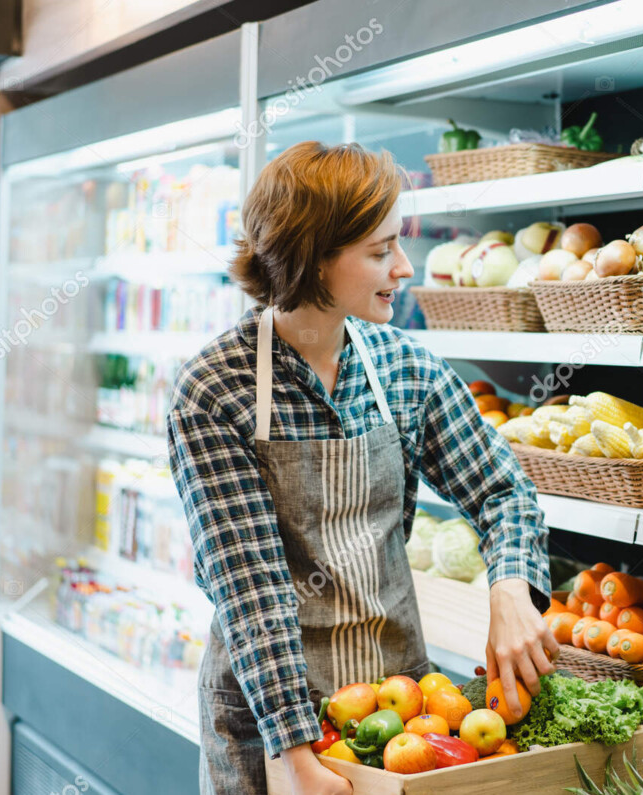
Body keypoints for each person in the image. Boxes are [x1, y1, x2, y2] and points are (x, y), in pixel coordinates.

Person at [167, 141, 556, 795]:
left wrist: (511, 586)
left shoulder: (405, 366)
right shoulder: (215, 388)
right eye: (380, 251)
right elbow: (252, 593)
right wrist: (297, 758)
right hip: (272, 724)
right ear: (312, 257)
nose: (404, 268)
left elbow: (502, 489)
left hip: (401, 708)